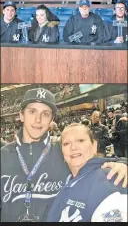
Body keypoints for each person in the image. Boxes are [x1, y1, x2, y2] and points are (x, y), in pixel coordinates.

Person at [1, 88, 127, 222]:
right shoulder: (2, 155)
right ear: (21, 115)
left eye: (45, 114)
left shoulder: (64, 152)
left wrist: (123, 164)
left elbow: (93, 165)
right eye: (32, 111)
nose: (38, 120)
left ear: (51, 119)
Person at [46, 123, 127, 222]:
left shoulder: (110, 180)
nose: (73, 148)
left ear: (94, 145)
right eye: (66, 143)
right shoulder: (63, 178)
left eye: (80, 141)